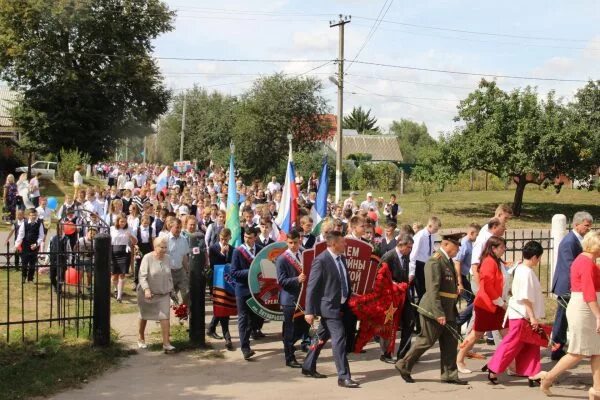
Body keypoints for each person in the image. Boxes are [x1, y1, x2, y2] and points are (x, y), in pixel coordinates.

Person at [395, 232, 468, 386]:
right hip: (434, 310)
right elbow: (433, 289)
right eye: (455, 247)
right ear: (446, 244)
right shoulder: (435, 261)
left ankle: (450, 374)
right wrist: (438, 313)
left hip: (448, 310)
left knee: (450, 343)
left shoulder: (447, 261)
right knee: (426, 341)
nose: (457, 251)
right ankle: (404, 364)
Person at [541, 231, 600, 399]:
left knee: (597, 350)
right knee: (578, 351)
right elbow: (589, 292)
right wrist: (598, 316)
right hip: (584, 308)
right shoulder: (586, 262)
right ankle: (548, 378)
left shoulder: (588, 260)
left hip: (587, 306)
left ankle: (597, 389)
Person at [302, 231, 360, 388]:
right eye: (343, 242)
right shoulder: (321, 261)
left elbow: (344, 281)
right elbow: (312, 287)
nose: (346, 245)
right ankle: (343, 376)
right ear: (334, 244)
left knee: (321, 336)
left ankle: (308, 366)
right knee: (339, 338)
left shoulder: (342, 258)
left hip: (342, 305)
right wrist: (309, 311)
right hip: (329, 308)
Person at [486, 241, 547, 386]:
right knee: (512, 344)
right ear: (534, 257)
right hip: (522, 314)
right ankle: (493, 367)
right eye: (538, 258)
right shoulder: (525, 272)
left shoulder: (522, 269)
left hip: (522, 313)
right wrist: (532, 317)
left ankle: (533, 373)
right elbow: (525, 297)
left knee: (531, 345)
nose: (538, 261)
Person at [456, 236, 509, 374]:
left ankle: (511, 364)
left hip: (496, 304)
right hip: (487, 305)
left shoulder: (497, 260)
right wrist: (501, 303)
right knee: (476, 335)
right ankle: (459, 359)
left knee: (508, 335)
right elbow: (488, 287)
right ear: (493, 248)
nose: (504, 249)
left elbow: (503, 273)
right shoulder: (488, 262)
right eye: (502, 247)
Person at [550, 211, 593, 361]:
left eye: (590, 226)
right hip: (567, 286)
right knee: (562, 319)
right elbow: (570, 266)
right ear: (576, 224)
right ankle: (556, 349)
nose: (589, 229)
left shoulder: (578, 239)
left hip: (571, 286)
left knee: (566, 318)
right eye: (586, 226)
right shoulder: (569, 241)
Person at [137, 237, 176, 353]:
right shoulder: (147, 258)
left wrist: (171, 290)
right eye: (161, 247)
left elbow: (169, 276)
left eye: (165, 247)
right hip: (148, 293)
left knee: (165, 317)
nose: (164, 250)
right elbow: (142, 276)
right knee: (143, 316)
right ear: (155, 247)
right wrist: (147, 289)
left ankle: (166, 343)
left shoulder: (168, 258)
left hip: (163, 293)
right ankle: (141, 337)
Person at [379, 234, 415, 362]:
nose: (410, 250)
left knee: (410, 321)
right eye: (409, 247)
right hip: (390, 297)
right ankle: (386, 353)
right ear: (402, 245)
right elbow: (379, 276)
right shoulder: (389, 257)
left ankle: (404, 353)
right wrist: (393, 284)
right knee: (389, 324)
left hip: (404, 295)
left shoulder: (405, 257)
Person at [275, 229, 308, 368]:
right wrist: (297, 279)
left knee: (302, 327)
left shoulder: (302, 254)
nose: (293, 245)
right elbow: (281, 281)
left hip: (302, 297)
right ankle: (289, 357)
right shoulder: (282, 258)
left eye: (295, 242)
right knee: (290, 329)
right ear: (286, 242)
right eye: (290, 243)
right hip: (289, 298)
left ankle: (289, 346)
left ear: (299, 240)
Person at [230, 226, 263, 360]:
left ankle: (252, 333)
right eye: (245, 237)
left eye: (250, 237)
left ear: (255, 237)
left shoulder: (260, 250)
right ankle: (245, 348)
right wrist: (250, 272)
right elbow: (233, 272)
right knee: (243, 318)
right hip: (242, 289)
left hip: (257, 289)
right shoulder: (238, 252)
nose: (247, 239)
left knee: (255, 317)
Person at [206, 228, 234, 350]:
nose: (224, 241)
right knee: (222, 309)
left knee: (222, 307)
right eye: (222, 239)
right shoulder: (213, 248)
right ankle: (227, 337)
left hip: (227, 283)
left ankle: (211, 328)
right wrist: (222, 253)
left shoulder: (232, 249)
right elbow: (213, 265)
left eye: (226, 239)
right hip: (217, 282)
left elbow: (232, 265)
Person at [454, 223, 481, 330]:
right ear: (472, 233)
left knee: (466, 300)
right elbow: (457, 262)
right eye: (477, 235)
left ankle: (463, 324)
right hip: (459, 276)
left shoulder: (469, 243)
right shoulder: (465, 243)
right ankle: (458, 321)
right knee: (473, 300)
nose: (478, 237)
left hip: (462, 275)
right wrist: (459, 282)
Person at [409, 216, 442, 302]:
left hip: (426, 264)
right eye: (435, 229)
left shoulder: (432, 235)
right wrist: (412, 271)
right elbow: (413, 254)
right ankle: (418, 313)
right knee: (421, 292)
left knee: (426, 291)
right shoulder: (420, 236)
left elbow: (430, 251)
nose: (436, 231)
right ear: (430, 226)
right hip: (418, 264)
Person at [110, 215, 137, 302]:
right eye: (121, 221)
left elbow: (135, 242)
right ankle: (115, 289)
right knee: (114, 275)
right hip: (114, 252)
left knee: (122, 274)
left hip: (125, 252)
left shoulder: (129, 228)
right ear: (117, 221)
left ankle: (119, 296)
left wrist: (130, 236)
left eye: (124, 222)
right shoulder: (112, 229)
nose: (123, 223)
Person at [166, 218, 190, 314]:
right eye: (177, 227)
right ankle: (165, 316)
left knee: (186, 292)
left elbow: (184, 256)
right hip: (169, 271)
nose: (179, 230)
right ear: (171, 227)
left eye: (180, 228)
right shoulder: (165, 239)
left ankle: (183, 313)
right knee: (171, 295)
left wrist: (187, 270)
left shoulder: (183, 240)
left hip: (180, 270)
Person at [15, 208, 45, 283]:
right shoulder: (24, 223)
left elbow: (41, 236)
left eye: (35, 215)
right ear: (29, 216)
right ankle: (24, 276)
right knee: (24, 262)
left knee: (33, 263)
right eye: (32, 215)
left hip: (34, 246)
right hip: (25, 245)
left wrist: (36, 244)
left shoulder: (39, 223)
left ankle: (30, 278)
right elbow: (20, 235)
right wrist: (16, 245)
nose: (33, 217)